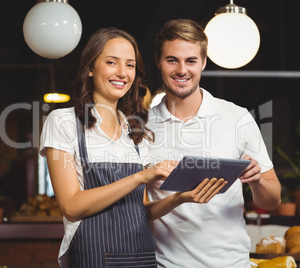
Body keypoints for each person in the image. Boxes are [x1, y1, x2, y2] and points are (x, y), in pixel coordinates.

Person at [39, 27, 225, 268]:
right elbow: (71, 207)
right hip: (92, 256)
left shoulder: (135, 128)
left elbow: (140, 211)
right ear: (90, 68)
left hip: (141, 256)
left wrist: (180, 198)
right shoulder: (64, 121)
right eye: (111, 62)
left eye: (130, 65)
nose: (122, 73)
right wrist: (141, 176)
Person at [146, 19, 282, 268]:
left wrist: (258, 181)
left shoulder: (237, 117)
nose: (182, 70)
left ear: (204, 62)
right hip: (166, 264)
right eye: (172, 60)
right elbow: (135, 210)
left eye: (191, 61)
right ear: (158, 60)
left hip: (232, 263)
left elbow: (272, 202)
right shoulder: (141, 126)